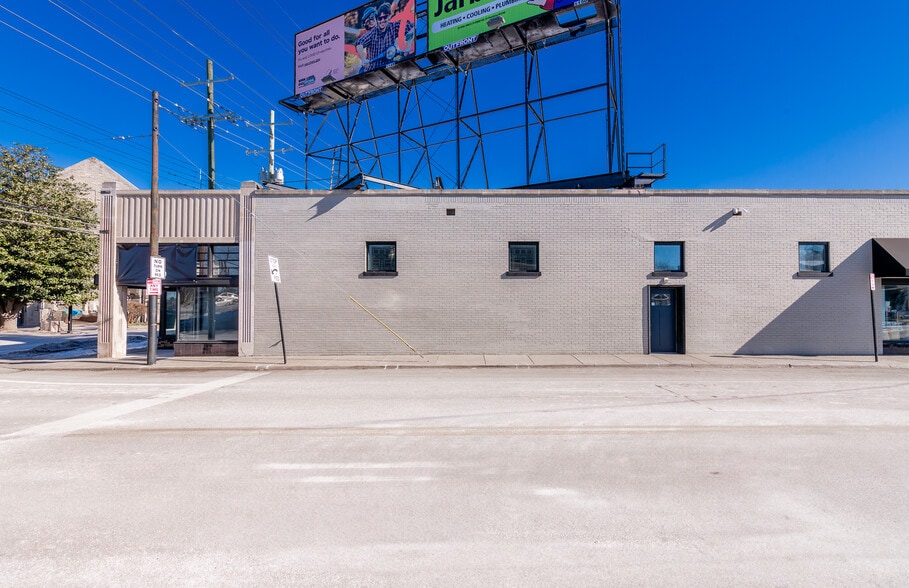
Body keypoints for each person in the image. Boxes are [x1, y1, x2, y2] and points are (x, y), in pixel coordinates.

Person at [355, 2, 414, 73]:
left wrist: (407, 47)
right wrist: (364, 60)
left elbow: (411, 28)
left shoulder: (393, 26)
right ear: (377, 19)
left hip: (390, 68)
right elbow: (359, 44)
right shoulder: (372, 33)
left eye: (385, 17)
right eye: (380, 18)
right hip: (373, 70)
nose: (382, 20)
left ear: (388, 17)